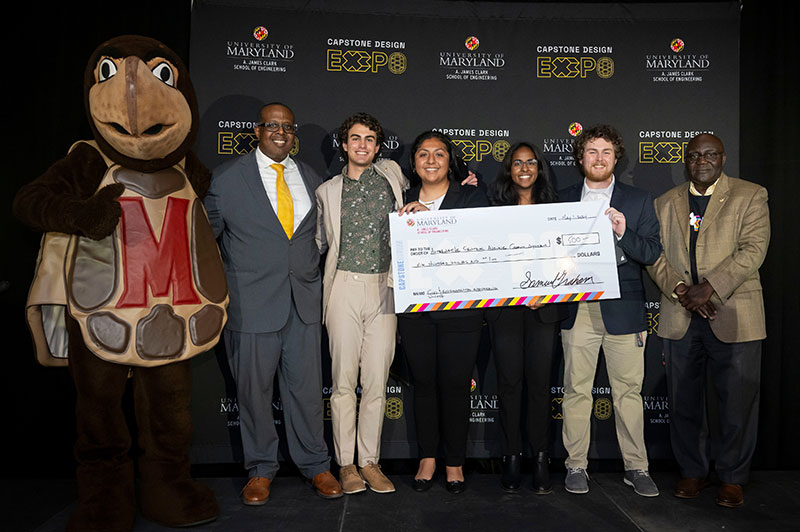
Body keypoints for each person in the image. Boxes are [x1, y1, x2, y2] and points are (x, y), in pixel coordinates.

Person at [204, 102, 342, 505]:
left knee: (306, 392)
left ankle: (316, 464)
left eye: (287, 127)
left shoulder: (312, 178)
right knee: (253, 394)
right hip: (251, 305)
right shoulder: (226, 179)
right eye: (272, 126)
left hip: (303, 304)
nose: (281, 133)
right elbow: (204, 243)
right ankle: (261, 469)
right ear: (257, 131)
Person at [647, 134, 769, 508]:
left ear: (723, 158)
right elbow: (654, 255)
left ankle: (732, 477)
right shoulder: (664, 202)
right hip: (681, 311)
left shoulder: (750, 195)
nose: (702, 161)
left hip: (734, 311)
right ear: (685, 160)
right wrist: (683, 290)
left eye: (710, 154)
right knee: (683, 400)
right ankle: (692, 471)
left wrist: (710, 288)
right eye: (695, 155)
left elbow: (754, 249)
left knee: (736, 401)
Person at [558, 124, 661, 497]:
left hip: (625, 309)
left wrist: (622, 232)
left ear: (616, 158)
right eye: (591, 151)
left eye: (606, 152)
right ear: (580, 157)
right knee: (576, 390)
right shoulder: (562, 199)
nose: (598, 158)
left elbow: (651, 252)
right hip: (578, 309)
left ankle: (636, 467)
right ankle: (576, 465)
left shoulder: (639, 200)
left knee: (628, 392)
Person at [315, 113, 408, 494]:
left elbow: (432, 185)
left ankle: (370, 462)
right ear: (344, 144)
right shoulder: (326, 191)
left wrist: (465, 180)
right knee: (342, 382)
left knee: (375, 381)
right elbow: (317, 242)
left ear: (378, 146)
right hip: (344, 288)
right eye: (355, 138)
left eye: (370, 139)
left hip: (385, 287)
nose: (362, 145)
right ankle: (346, 465)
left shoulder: (392, 175)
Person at [396, 130, 489, 494]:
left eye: (439, 153)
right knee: (423, 385)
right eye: (423, 153)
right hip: (415, 311)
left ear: (450, 162)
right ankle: (427, 458)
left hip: (461, 310)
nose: (431, 160)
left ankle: (454, 462)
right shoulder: (401, 197)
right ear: (414, 162)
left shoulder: (472, 196)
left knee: (455, 386)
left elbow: (478, 243)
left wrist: (430, 221)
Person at [485, 142, 567, 494]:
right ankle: (511, 457)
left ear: (539, 168)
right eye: (517, 162)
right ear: (509, 169)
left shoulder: (556, 211)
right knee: (509, 385)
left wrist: (545, 291)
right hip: (505, 310)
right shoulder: (493, 211)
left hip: (543, 311)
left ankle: (541, 457)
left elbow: (568, 261)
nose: (524, 168)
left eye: (530, 162)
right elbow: (486, 260)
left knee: (539, 385)